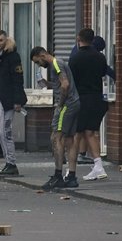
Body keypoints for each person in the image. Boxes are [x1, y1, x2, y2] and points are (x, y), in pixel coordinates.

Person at [30, 45, 81, 190]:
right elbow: (60, 84)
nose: (39, 65)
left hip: (67, 105)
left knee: (56, 137)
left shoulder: (56, 64)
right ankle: (71, 176)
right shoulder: (60, 63)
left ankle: (58, 175)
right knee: (70, 139)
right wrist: (47, 84)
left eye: (37, 62)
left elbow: (65, 85)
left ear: (42, 55)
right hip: (75, 103)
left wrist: (60, 104)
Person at [70, 28, 116, 181]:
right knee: (91, 132)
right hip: (97, 99)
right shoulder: (100, 57)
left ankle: (71, 171)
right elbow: (103, 73)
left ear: (78, 38)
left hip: (82, 99)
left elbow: (72, 81)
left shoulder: (76, 58)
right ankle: (98, 166)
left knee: (77, 134)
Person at [0, 29, 25, 175]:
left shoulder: (12, 56)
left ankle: (11, 163)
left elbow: (17, 79)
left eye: (0, 40)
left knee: (5, 131)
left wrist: (18, 100)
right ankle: (8, 162)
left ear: (6, 40)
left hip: (7, 99)